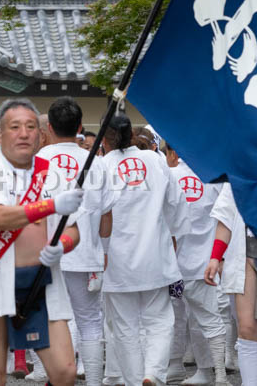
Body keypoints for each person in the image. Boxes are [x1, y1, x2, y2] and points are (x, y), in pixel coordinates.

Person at [0, 98, 83, 386]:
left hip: (42, 279)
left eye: (30, 126)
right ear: (0, 134)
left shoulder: (52, 173)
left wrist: (62, 245)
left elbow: (74, 230)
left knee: (65, 371)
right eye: (15, 127)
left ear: (41, 135)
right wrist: (52, 205)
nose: (24, 133)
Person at [99, 114, 186, 386]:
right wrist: (174, 233)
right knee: (159, 320)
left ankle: (136, 381)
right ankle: (154, 374)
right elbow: (176, 204)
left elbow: (93, 212)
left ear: (104, 138)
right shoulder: (156, 161)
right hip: (154, 253)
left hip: (115, 257)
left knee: (124, 327)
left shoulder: (101, 167)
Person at [36, 97, 105, 386]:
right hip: (84, 248)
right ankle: (92, 381)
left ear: (48, 127)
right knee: (89, 319)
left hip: (44, 252)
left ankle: (53, 375)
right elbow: (106, 212)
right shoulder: (96, 163)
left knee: (51, 319)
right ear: (79, 127)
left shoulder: (36, 161)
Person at [166, 142, 226, 385]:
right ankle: (216, 374)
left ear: (173, 152)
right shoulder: (214, 178)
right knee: (209, 320)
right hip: (205, 263)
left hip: (171, 265)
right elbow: (225, 217)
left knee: (173, 320)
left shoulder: (168, 175)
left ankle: (176, 366)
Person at [204, 183, 257, 386]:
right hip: (248, 254)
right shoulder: (238, 172)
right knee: (247, 330)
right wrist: (215, 257)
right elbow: (226, 217)